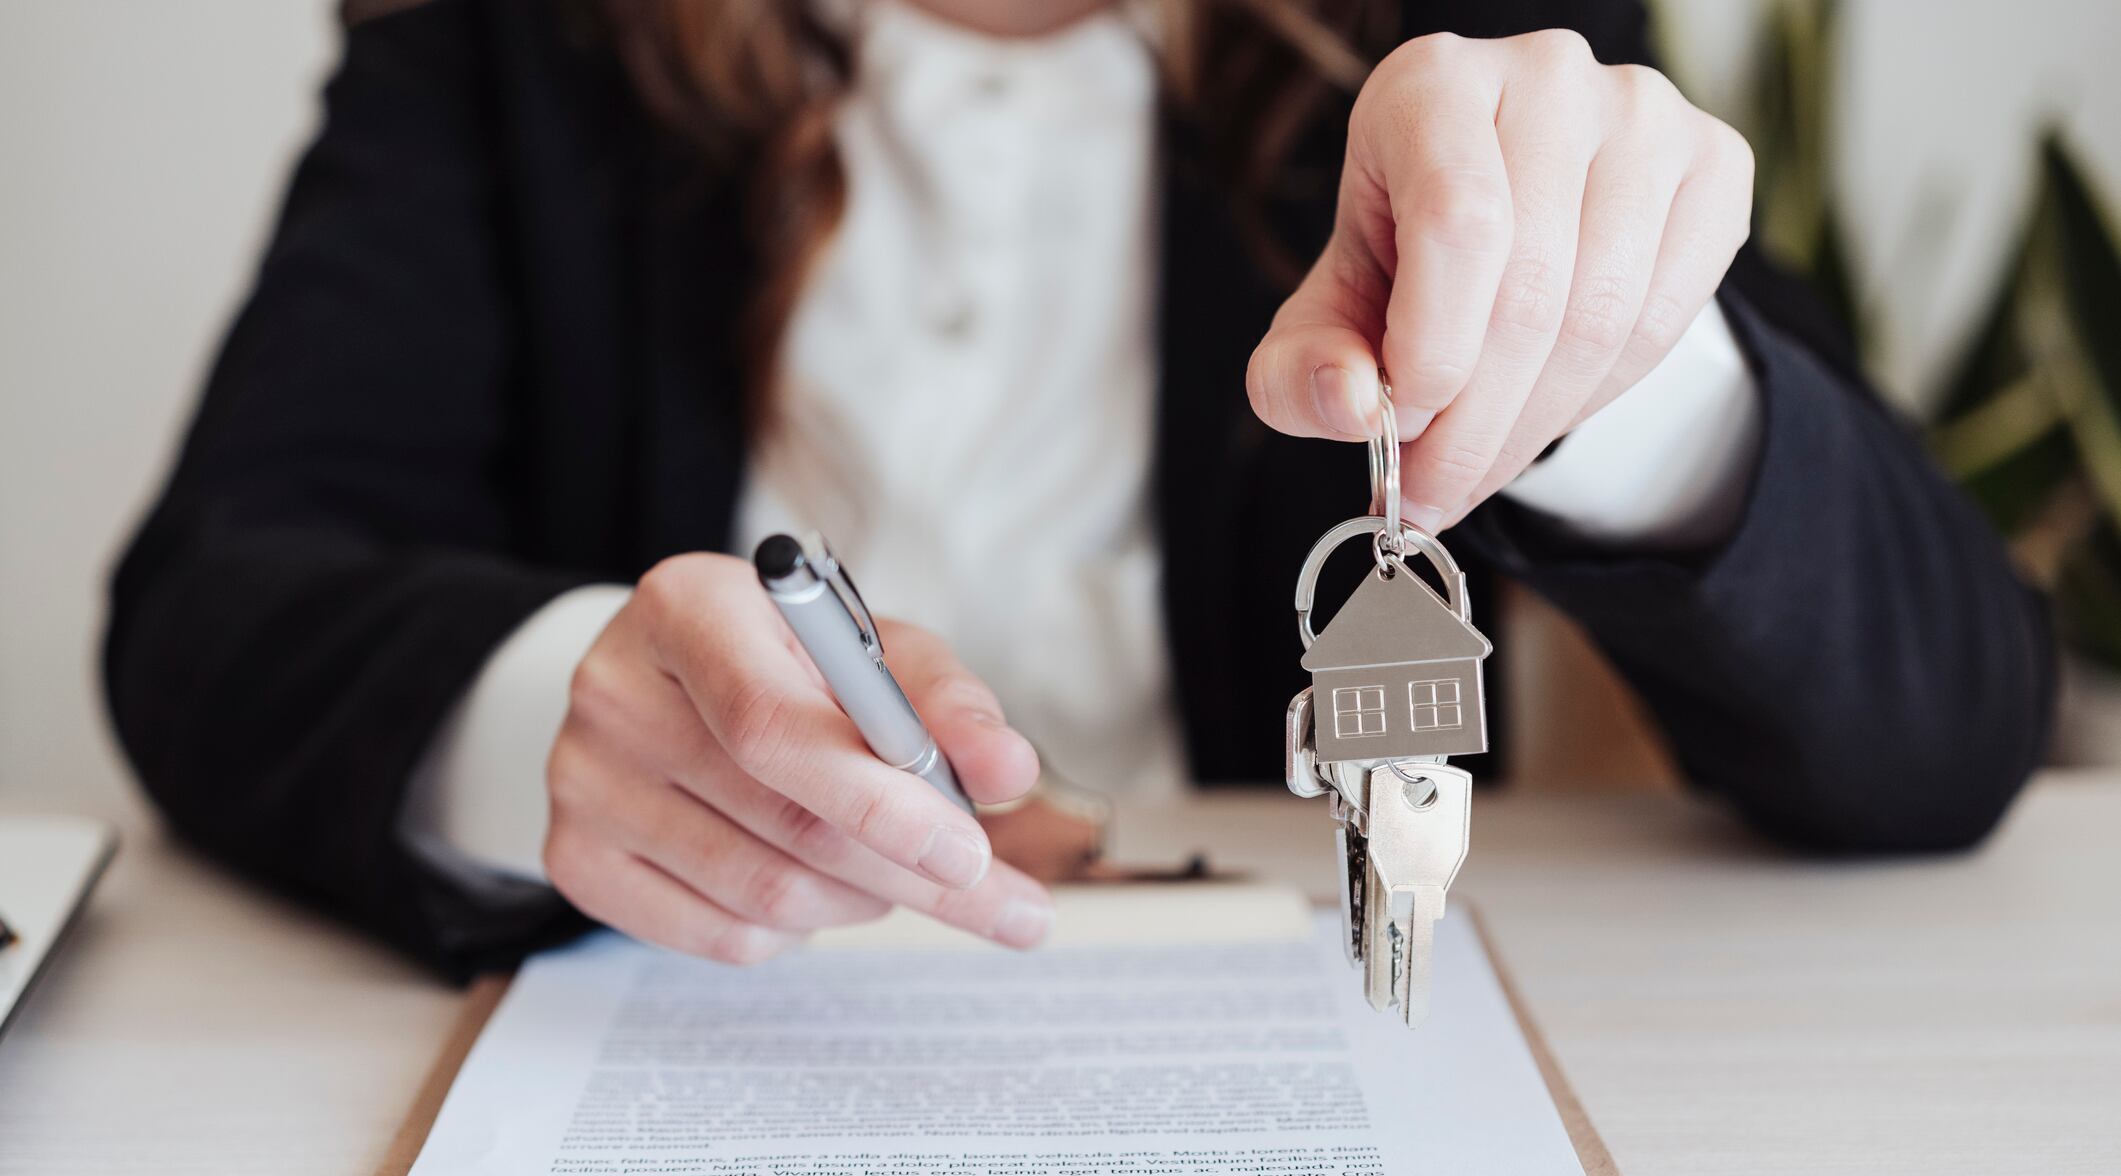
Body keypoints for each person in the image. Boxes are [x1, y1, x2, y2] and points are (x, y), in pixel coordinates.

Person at [105, 0, 2052, 977]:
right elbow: (214, 591)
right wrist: (559, 713)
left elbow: (1949, 709)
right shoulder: (510, 46)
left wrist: (1610, 362)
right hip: (711, 1041)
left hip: (1283, 1070)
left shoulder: (1437, 32)